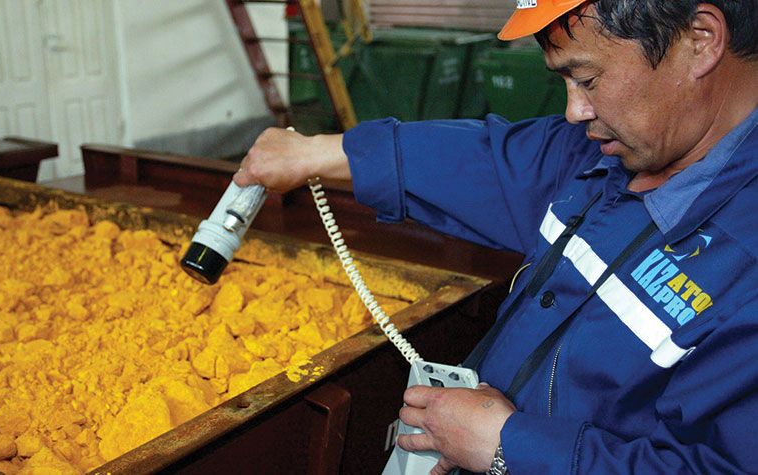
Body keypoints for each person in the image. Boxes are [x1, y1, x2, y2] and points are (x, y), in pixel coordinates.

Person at [234, 1, 758, 473]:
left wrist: (509, 447)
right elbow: (490, 161)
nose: (575, 111)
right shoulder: (605, 154)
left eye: (588, 79)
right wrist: (318, 154)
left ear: (700, 39)